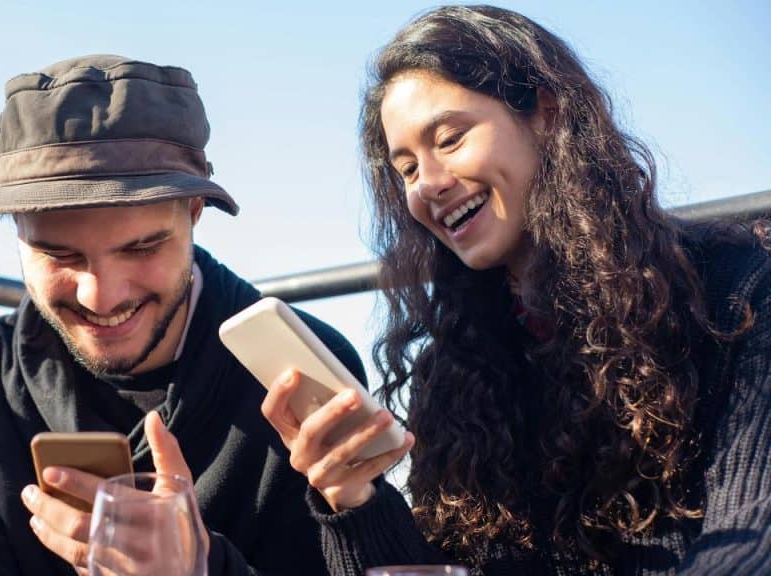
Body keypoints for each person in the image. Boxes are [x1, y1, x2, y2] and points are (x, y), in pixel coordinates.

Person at [261, 5, 771, 575]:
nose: (427, 184)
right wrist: (355, 499)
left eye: (449, 139)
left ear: (546, 114)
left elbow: (751, 544)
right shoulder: (451, 372)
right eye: (407, 170)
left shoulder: (737, 291)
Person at [0, 54, 365, 576]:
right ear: (16, 227)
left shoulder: (301, 370)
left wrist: (200, 567)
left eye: (141, 248)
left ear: (194, 213)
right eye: (60, 255)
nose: (101, 297)